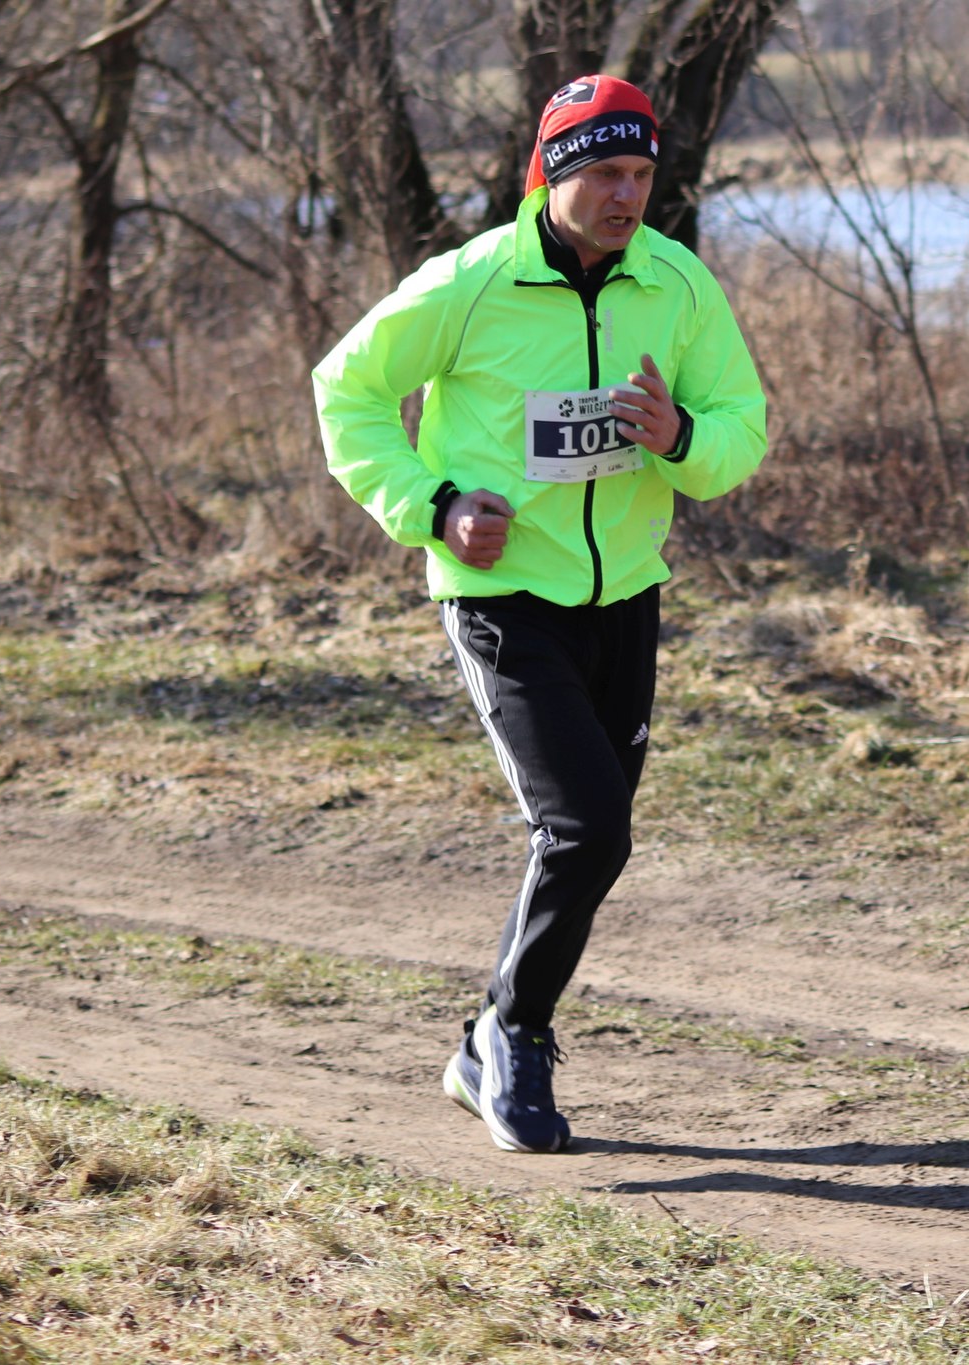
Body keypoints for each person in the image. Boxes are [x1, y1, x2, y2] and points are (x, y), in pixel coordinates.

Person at [312, 74, 767, 1153]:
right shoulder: (471, 283)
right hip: (504, 601)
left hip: (626, 596)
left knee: (593, 843)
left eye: (641, 174)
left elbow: (741, 428)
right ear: (552, 177)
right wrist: (433, 505)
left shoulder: (676, 284)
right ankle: (515, 1035)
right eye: (603, 173)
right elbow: (346, 389)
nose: (626, 195)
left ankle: (487, 1037)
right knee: (586, 827)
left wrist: (678, 437)